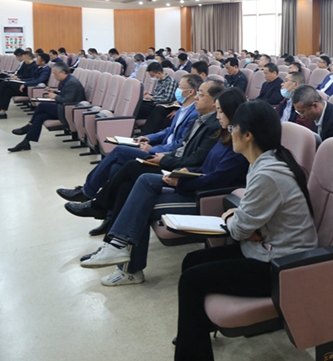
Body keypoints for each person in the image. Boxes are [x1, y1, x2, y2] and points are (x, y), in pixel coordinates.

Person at [172, 101, 317, 360]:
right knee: (192, 261)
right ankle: (195, 333)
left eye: (233, 127)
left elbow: (239, 230)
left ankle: (191, 350)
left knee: (192, 280)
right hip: (264, 248)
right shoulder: (262, 161)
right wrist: (242, 223)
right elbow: (246, 223)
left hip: (281, 265)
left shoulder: (267, 174)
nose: (229, 132)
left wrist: (234, 219)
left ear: (248, 135)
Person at [79, 88, 250, 285]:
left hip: (205, 196)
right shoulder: (224, 135)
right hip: (196, 184)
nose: (217, 115)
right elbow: (207, 168)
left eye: (220, 111)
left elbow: (217, 179)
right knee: (134, 184)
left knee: (140, 198)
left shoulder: (237, 144)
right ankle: (118, 249)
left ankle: (122, 255)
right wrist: (187, 171)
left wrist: (182, 181)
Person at [64, 79, 226, 236]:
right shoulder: (198, 116)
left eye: (201, 94)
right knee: (118, 170)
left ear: (215, 102)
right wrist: (153, 142)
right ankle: (110, 218)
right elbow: (174, 138)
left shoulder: (211, 124)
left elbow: (193, 157)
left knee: (122, 155)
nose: (197, 97)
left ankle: (91, 196)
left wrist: (160, 155)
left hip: (178, 167)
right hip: (170, 157)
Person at [57, 76, 205, 203]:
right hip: (161, 148)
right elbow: (169, 131)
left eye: (180, 87)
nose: (177, 90)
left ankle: (87, 191)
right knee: (116, 167)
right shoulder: (183, 108)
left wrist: (153, 149)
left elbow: (180, 144)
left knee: (119, 151)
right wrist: (148, 137)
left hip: (166, 156)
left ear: (190, 92)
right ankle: (108, 211)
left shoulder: (194, 114)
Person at [9, 63, 86, 152]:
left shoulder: (72, 82)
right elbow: (65, 94)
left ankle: (29, 126)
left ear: (63, 72)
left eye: (55, 74)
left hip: (69, 111)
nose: (54, 76)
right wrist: (55, 92)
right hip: (63, 108)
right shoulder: (67, 80)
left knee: (42, 105)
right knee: (40, 117)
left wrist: (55, 96)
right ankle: (26, 142)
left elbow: (68, 100)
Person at [0, 52, 50, 118]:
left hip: (32, 89)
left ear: (43, 62)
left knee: (5, 83)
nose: (36, 60)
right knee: (7, 91)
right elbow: (32, 78)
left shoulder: (46, 70)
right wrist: (21, 80)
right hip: (27, 86)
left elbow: (39, 80)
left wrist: (25, 84)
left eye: (38, 59)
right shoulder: (39, 68)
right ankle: (2, 112)